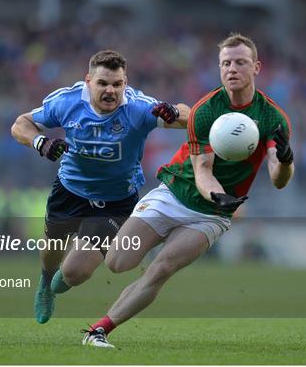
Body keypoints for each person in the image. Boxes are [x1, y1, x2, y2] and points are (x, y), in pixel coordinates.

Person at [78, 34, 294, 348]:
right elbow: (202, 171)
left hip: (212, 214)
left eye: (240, 62)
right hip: (176, 193)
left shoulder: (273, 117)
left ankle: (98, 330)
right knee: (117, 263)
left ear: (256, 67)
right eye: (225, 63)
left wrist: (286, 160)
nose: (232, 69)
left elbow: (278, 177)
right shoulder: (204, 111)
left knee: (161, 268)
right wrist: (218, 195)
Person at [10, 49, 189, 324]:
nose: (111, 91)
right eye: (103, 83)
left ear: (125, 84)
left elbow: (190, 118)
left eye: (117, 84)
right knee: (50, 253)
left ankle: (60, 279)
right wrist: (41, 142)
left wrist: (175, 111)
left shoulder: (138, 107)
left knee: (75, 273)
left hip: (116, 200)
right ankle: (45, 283)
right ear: (88, 81)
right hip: (69, 190)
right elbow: (21, 124)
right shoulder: (67, 101)